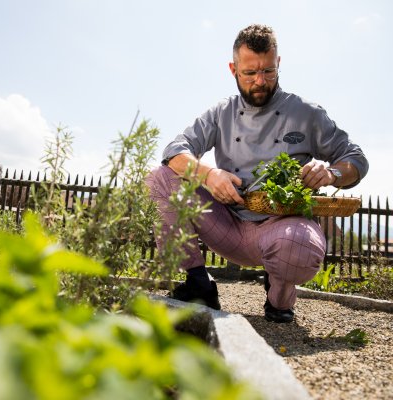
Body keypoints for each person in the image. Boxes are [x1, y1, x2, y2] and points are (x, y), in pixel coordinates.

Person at [146, 24, 368, 323]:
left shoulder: (307, 113)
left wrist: (331, 173)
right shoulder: (220, 113)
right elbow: (175, 151)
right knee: (160, 178)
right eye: (249, 73)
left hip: (282, 228)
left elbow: (355, 159)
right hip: (226, 224)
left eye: (268, 72)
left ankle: (279, 298)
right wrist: (208, 175)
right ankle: (198, 284)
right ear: (233, 69)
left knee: (300, 248)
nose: (260, 81)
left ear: (278, 63)